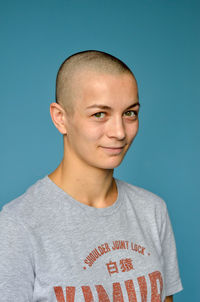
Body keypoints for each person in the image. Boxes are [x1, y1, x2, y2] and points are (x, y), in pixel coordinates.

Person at [0, 50, 183, 301]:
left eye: (130, 113)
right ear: (60, 118)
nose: (119, 132)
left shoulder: (152, 210)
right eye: (99, 114)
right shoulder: (17, 225)